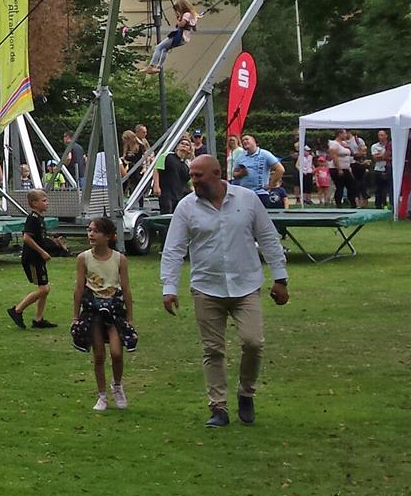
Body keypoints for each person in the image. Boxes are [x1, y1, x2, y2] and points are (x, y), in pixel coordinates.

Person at [161, 154, 289, 427]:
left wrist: (280, 278)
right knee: (213, 350)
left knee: (253, 343)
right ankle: (218, 407)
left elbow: (268, 237)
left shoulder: (247, 200)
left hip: (246, 286)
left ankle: (246, 392)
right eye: (191, 175)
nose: (192, 181)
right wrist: (169, 287)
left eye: (198, 176)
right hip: (207, 288)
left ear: (217, 174)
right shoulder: (186, 207)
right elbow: (173, 249)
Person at [73, 217, 136, 412]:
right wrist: (75, 316)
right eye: (89, 230)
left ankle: (117, 386)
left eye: (95, 231)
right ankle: (101, 395)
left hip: (114, 311)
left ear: (108, 236)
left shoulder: (119, 259)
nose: (90, 234)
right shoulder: (84, 258)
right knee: (99, 355)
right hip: (93, 311)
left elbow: (125, 288)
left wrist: (130, 317)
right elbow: (79, 288)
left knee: (117, 353)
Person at [8, 192, 63, 330]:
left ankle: (38, 319)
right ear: (34, 203)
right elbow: (27, 238)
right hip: (32, 258)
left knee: (44, 289)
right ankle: (17, 310)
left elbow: (39, 237)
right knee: (44, 289)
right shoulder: (32, 218)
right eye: (44, 200)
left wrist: (54, 242)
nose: (47, 203)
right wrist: (42, 252)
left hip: (38, 258)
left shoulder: (39, 218)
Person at [144, 0, 200, 74]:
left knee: (159, 47)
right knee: (165, 49)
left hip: (180, 36)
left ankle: (151, 66)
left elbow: (181, 25)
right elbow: (194, 27)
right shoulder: (194, 15)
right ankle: (158, 67)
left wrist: (178, 19)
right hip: (186, 38)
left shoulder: (186, 15)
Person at [154, 137, 194, 216]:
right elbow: (157, 169)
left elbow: (190, 183)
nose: (184, 146)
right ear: (177, 146)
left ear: (189, 149)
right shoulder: (167, 156)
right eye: (182, 143)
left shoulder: (186, 166)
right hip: (166, 194)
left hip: (179, 197)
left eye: (187, 145)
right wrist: (156, 186)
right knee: (166, 216)